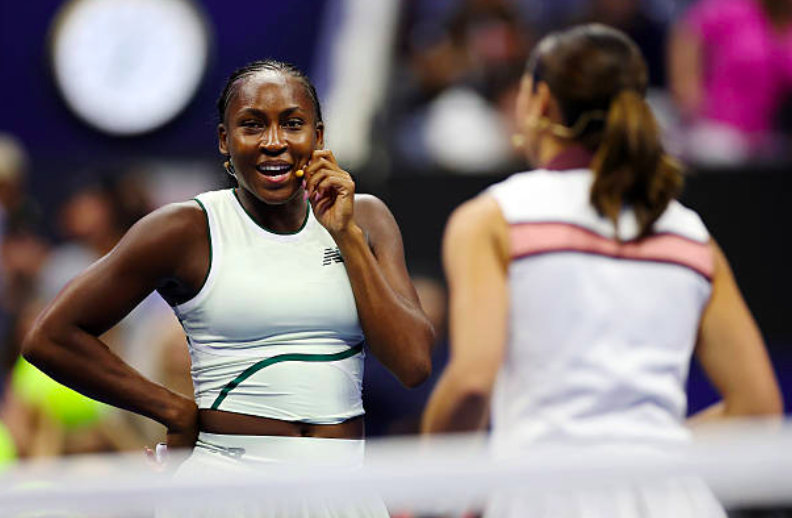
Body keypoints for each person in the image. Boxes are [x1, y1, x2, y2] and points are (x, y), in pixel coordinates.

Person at [23, 59, 434, 516]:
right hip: (225, 488)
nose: (274, 141)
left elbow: (413, 363)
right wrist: (174, 410)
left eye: (292, 124)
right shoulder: (186, 228)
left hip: (343, 487)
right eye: (252, 125)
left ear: (318, 137)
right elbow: (51, 337)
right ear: (225, 140)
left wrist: (345, 235)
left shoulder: (366, 218)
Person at [422, 24, 782, 517]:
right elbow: (759, 410)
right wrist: (651, 456)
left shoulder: (492, 219)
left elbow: (470, 384)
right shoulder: (691, 234)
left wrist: (430, 490)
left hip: (542, 499)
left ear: (540, 102)